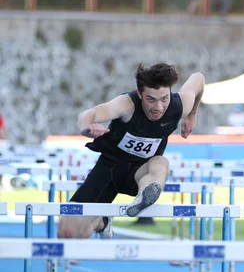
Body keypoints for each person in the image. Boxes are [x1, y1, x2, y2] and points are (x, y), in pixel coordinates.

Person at [58, 63, 205, 239]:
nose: (158, 107)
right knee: (67, 234)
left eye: (164, 99)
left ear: (170, 94)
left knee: (160, 163)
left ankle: (145, 196)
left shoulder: (179, 105)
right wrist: (86, 127)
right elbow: (89, 114)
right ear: (139, 93)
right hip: (109, 169)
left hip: (140, 173)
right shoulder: (126, 104)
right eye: (151, 99)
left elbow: (198, 79)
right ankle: (101, 222)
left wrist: (192, 115)